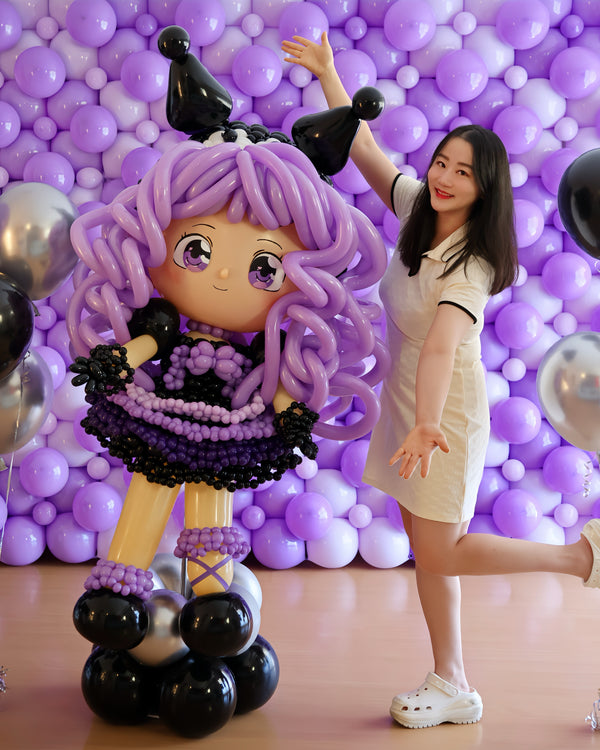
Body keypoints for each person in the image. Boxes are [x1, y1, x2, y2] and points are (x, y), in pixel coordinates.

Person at [282, 32, 600, 730]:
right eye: (441, 163)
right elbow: (363, 146)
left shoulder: (471, 264)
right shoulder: (416, 212)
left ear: (486, 189)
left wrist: (427, 423)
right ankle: (452, 680)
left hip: (444, 412)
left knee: (439, 548)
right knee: (431, 553)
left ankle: (580, 558)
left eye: (463, 173)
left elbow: (440, 350)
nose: (445, 178)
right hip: (410, 405)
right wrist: (330, 74)